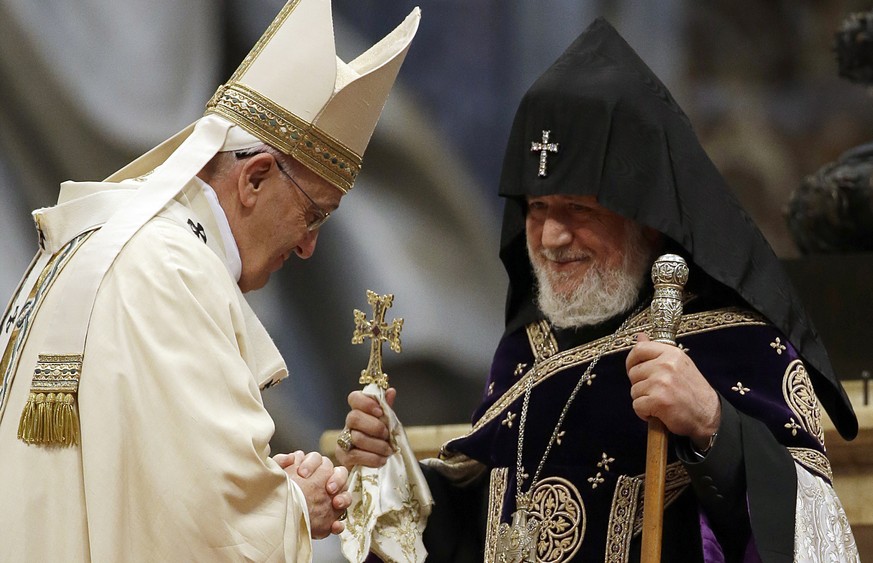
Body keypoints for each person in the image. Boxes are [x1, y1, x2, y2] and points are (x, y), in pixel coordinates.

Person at [336, 18, 860, 563]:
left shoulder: (736, 348)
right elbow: (483, 530)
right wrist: (391, 476)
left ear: (647, 219)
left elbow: (812, 533)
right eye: (537, 209)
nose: (551, 237)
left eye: (577, 210)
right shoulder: (527, 353)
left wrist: (713, 425)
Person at [0, 1, 419, 561]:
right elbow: (205, 530)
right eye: (313, 213)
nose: (308, 245)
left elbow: (142, 485)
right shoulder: (174, 270)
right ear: (256, 177)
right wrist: (294, 507)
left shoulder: (111, 238)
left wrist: (261, 483)